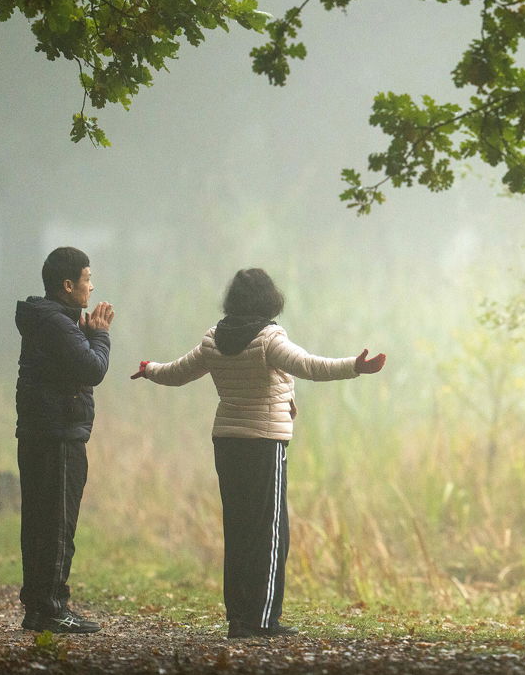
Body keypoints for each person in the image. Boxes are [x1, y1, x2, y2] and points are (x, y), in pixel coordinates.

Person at [131, 268, 385, 638]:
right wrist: (354, 367)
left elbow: (178, 372)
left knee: (238, 530)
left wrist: (150, 369)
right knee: (270, 533)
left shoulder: (213, 339)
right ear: (269, 300)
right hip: (264, 443)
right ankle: (263, 619)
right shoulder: (268, 339)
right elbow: (309, 365)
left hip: (228, 442)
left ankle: (239, 617)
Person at [15, 246, 114, 634]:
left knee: (38, 523)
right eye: (87, 279)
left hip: (40, 431)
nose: (91, 287)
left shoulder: (48, 321)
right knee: (57, 525)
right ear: (68, 285)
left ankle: (38, 608)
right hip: (58, 434)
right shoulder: (56, 324)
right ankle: (52, 607)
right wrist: (101, 336)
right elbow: (92, 369)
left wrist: (86, 333)